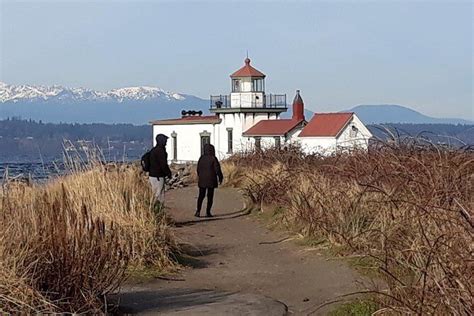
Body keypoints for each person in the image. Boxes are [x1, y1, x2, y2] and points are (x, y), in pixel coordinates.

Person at [195, 144, 223, 218]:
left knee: (201, 196)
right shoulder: (213, 158)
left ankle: (198, 211)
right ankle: (208, 212)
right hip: (211, 180)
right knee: (210, 197)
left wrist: (200, 176)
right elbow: (217, 169)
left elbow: (198, 169)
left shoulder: (201, 158)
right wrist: (220, 177)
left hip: (202, 180)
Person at [149, 134, 172, 206]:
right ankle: (157, 209)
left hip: (152, 175)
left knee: (154, 193)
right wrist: (168, 173)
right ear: (161, 141)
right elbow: (163, 165)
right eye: (165, 140)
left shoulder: (153, 150)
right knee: (159, 194)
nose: (166, 142)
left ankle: (153, 208)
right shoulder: (161, 151)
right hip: (159, 176)